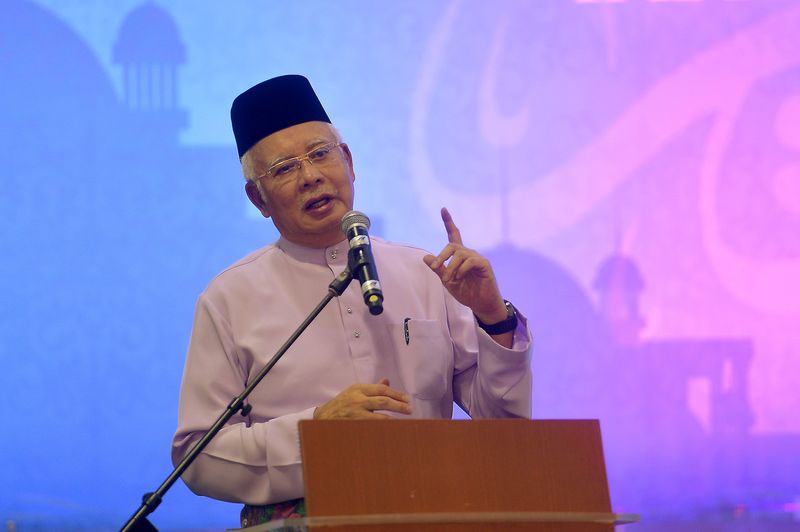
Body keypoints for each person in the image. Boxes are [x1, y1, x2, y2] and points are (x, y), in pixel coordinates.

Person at [171, 75, 532, 526]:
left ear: (349, 162)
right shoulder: (229, 299)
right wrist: (315, 432)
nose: (311, 176)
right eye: (284, 168)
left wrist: (493, 318)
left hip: (430, 514)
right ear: (257, 198)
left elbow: (505, 428)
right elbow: (198, 457)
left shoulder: (425, 274)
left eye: (321, 154)